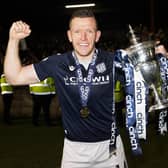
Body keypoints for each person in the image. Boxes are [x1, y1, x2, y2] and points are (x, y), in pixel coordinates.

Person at [4, 9, 128, 168]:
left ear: (97, 35)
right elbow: (14, 77)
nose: (83, 37)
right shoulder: (57, 63)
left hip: (111, 150)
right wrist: (13, 40)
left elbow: (149, 76)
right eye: (77, 32)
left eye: (89, 31)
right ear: (69, 35)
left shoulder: (114, 62)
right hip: (74, 152)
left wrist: (160, 58)